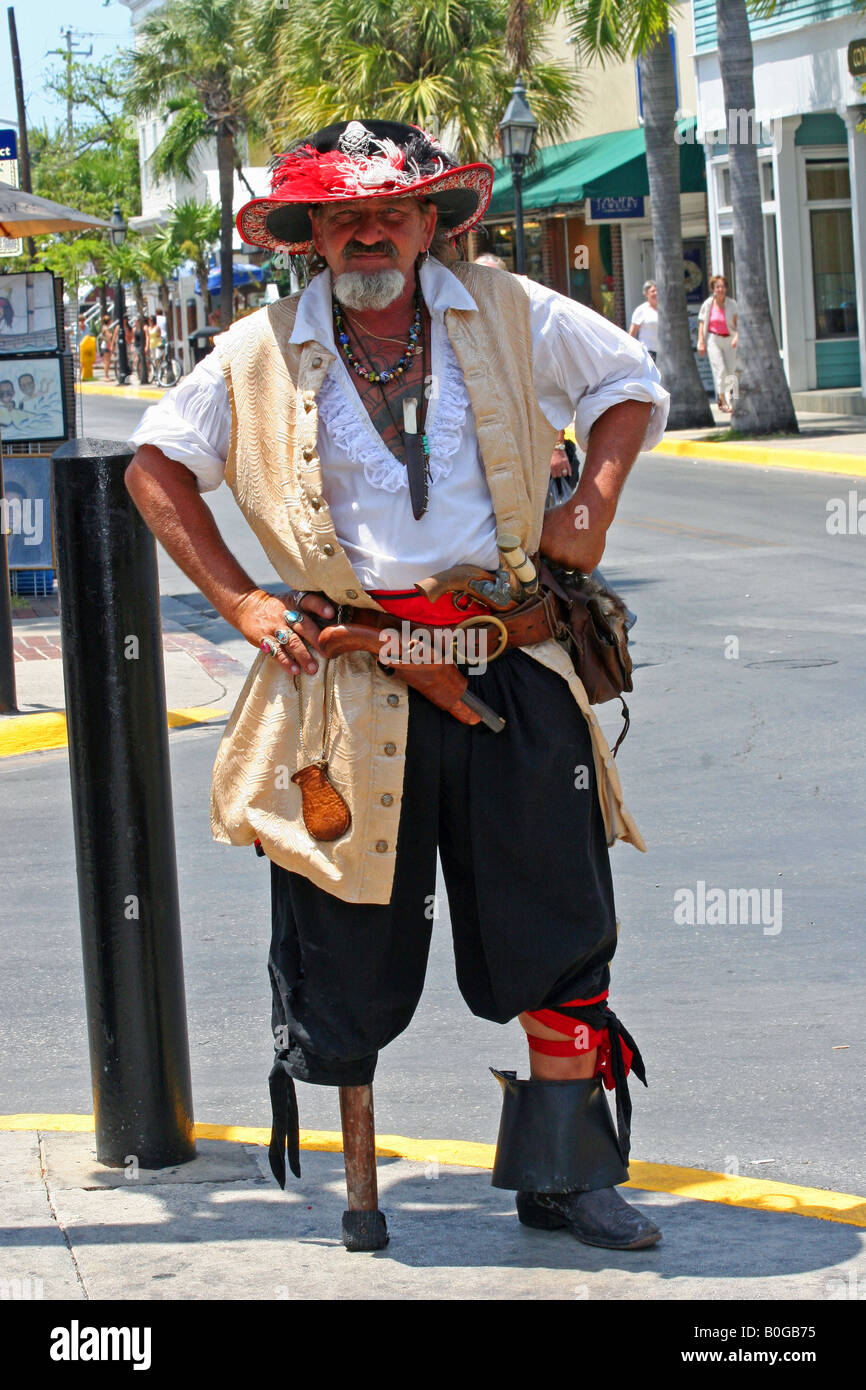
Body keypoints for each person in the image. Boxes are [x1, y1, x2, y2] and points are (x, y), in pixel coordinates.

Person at [125, 119, 670, 1255]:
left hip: (509, 663)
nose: (367, 229)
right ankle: (358, 1182)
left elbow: (627, 380)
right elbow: (155, 464)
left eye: (391, 210)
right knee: (344, 935)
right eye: (340, 214)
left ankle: (563, 1176)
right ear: (310, 235)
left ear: (431, 224)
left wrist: (592, 508)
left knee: (555, 926)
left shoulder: (511, 310)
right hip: (352, 685)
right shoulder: (257, 350)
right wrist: (242, 605)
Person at [697, 274, 739, 412]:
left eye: (722, 286)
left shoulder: (732, 304)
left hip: (730, 339)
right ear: (713, 289)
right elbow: (702, 324)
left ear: (726, 288)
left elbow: (738, 324)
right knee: (720, 370)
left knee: (732, 371)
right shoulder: (708, 304)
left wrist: (737, 337)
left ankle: (734, 401)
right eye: (717, 287)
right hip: (714, 339)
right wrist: (701, 342)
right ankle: (722, 400)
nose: (720, 289)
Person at [629, 281, 658, 361]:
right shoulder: (641, 310)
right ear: (646, 294)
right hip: (648, 352)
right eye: (653, 291)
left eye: (657, 290)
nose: (656, 293)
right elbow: (632, 333)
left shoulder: (663, 309)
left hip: (663, 352)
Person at [132, 316, 149, 384]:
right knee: (137, 360)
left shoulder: (144, 328)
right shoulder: (134, 329)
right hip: (136, 345)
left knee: (144, 360)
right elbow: (134, 338)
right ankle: (139, 373)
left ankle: (145, 373)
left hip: (143, 345)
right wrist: (132, 345)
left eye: (137, 321)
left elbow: (147, 337)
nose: (136, 322)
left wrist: (147, 346)